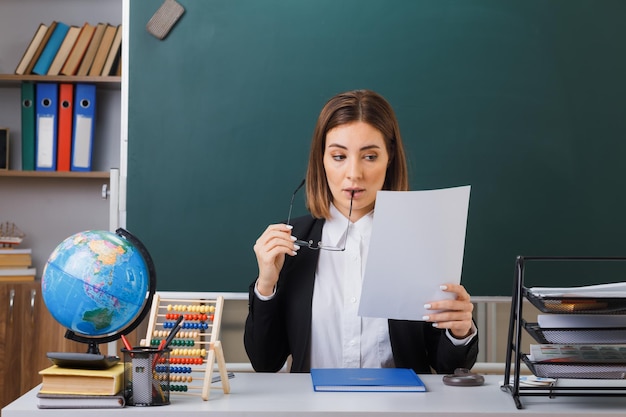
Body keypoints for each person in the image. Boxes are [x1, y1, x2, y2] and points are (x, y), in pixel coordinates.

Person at [244, 89, 478, 374]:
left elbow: (447, 367)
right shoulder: (291, 243)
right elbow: (265, 362)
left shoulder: (420, 240)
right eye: (339, 156)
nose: (354, 173)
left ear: (389, 158)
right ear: (322, 160)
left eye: (369, 156)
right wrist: (266, 285)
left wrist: (460, 331)